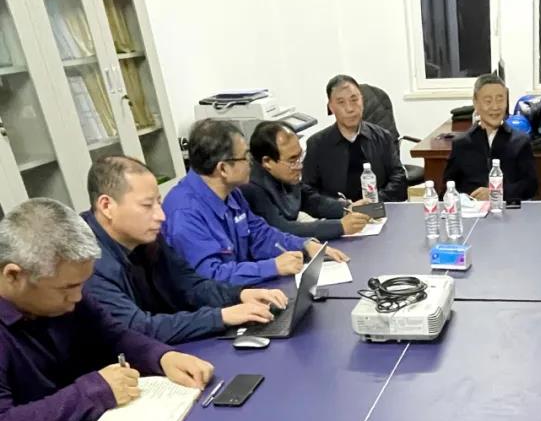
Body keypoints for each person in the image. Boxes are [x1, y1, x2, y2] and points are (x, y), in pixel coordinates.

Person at [0, 198, 214, 421]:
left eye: (82, 285)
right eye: (67, 288)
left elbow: (112, 335)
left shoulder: (62, 291)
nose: (78, 298)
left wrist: (163, 357)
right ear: (13, 275)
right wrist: (94, 391)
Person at [83, 156, 290, 344]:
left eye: (158, 203)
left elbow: (191, 285)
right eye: (147, 206)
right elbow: (137, 328)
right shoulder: (88, 262)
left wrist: (240, 295)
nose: (161, 216)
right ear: (106, 206)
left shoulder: (145, 237)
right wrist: (221, 317)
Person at [163, 119, 349, 286]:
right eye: (245, 157)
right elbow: (210, 277)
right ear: (223, 169)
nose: (251, 162)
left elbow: (261, 235)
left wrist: (305, 245)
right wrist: (273, 267)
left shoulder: (232, 193)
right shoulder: (185, 214)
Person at [241, 121, 371, 241]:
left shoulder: (284, 174)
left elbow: (310, 200)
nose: (300, 166)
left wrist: (347, 208)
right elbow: (281, 229)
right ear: (267, 162)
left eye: (300, 156)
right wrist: (340, 226)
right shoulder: (251, 186)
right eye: (292, 161)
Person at [303, 74, 407, 202]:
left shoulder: (382, 137)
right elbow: (307, 191)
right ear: (331, 107)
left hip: (378, 208)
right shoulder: (316, 144)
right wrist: (336, 206)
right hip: (339, 212)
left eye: (354, 99)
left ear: (362, 100)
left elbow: (399, 179)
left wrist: (375, 201)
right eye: (341, 102)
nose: (350, 108)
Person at [444, 74, 537, 202]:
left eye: (500, 100)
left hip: (508, 210)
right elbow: (447, 189)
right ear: (476, 103)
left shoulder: (520, 141)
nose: (495, 107)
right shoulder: (461, 143)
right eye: (488, 101)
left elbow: (531, 186)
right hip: (472, 211)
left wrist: (496, 193)